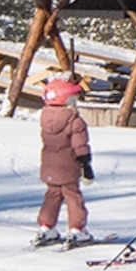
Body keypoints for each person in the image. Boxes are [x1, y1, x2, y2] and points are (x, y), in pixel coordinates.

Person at [32, 75, 95, 248]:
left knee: (52, 195)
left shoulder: (45, 118)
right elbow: (80, 145)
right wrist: (85, 164)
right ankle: (77, 229)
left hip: (49, 166)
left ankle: (46, 226)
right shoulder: (74, 121)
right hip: (68, 166)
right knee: (73, 196)